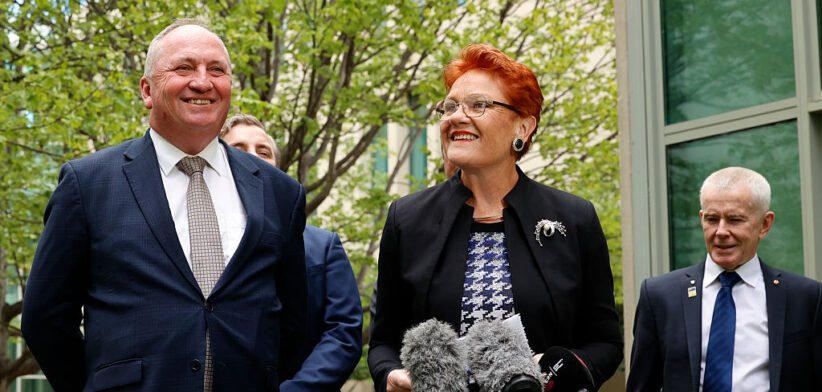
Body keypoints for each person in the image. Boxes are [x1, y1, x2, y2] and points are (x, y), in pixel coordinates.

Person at [21, 19, 308, 391]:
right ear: (147, 90)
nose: (202, 82)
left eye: (216, 70)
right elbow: (45, 318)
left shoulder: (280, 191)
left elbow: (294, 322)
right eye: (184, 67)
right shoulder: (88, 183)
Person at [367, 44, 622, 392]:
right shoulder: (407, 219)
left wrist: (551, 370)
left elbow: (605, 344)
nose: (457, 116)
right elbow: (383, 342)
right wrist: (392, 376)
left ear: (523, 127)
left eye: (478, 105)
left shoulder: (573, 218)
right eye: (450, 106)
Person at [626, 167, 822, 391]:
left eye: (734, 220)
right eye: (712, 219)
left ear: (765, 224)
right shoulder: (660, 296)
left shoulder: (805, 297)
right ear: (702, 219)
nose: (720, 231)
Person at [220, 113, 363, 391]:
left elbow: (343, 334)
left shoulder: (324, 247)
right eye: (238, 149)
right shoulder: (195, 243)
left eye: (264, 152)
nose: (254, 157)